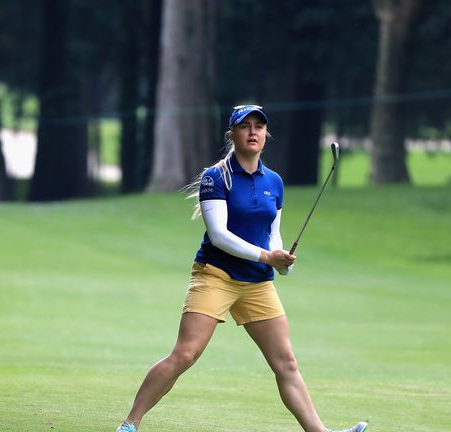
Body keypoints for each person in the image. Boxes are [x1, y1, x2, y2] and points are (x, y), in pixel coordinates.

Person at [115, 105, 367, 432]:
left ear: (265, 136)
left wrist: (283, 263)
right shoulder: (216, 177)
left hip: (258, 284)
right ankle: (129, 424)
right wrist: (267, 258)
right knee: (185, 354)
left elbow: (273, 235)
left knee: (286, 363)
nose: (252, 131)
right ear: (231, 134)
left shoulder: (274, 182)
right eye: (244, 126)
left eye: (259, 127)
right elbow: (219, 236)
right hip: (216, 276)